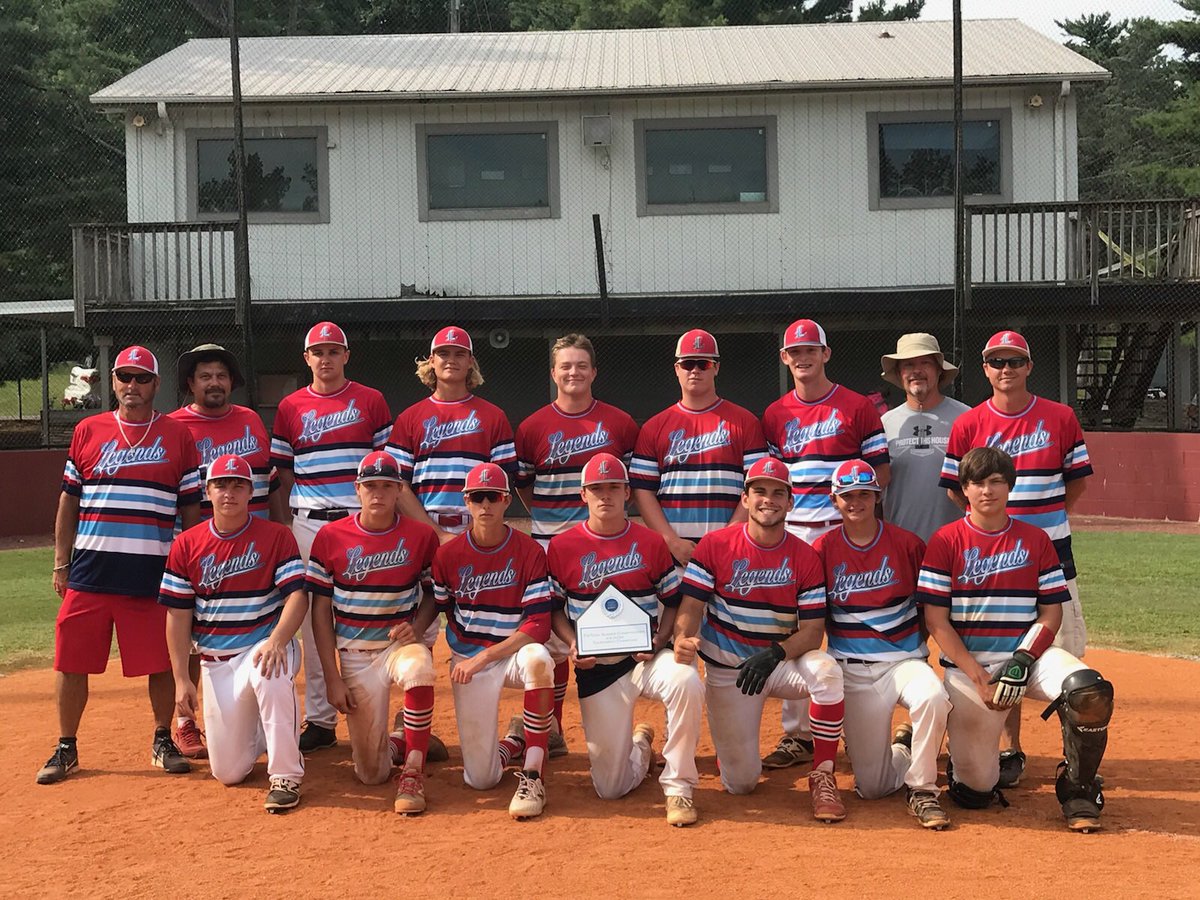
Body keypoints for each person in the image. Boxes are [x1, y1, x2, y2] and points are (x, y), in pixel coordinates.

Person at [919, 447, 1113, 832]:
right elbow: (937, 621)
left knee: (1087, 689)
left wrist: (1023, 659)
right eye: (977, 483)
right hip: (970, 669)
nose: (987, 491)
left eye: (996, 482)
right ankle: (964, 767)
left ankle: (1078, 787)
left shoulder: (1035, 540)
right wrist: (979, 678)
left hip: (1029, 659)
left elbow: (1050, 613)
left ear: (1010, 487)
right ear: (964, 490)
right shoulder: (945, 541)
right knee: (976, 793)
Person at [38, 345, 201, 785]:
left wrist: (187, 567)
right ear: (112, 381)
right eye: (124, 377)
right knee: (72, 661)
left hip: (153, 572)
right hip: (91, 571)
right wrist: (60, 563)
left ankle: (162, 737)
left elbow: (190, 510)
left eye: (141, 378)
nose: (132, 386)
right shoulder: (89, 430)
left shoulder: (177, 435)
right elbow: (69, 500)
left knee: (161, 662)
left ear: (156, 384)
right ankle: (66, 746)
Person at [939, 330, 1094, 789]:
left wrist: (1036, 529)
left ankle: (1076, 761)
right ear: (985, 369)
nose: (1005, 369)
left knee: (1060, 657)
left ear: (1029, 366)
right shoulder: (968, 424)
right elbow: (955, 487)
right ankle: (1008, 748)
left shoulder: (1060, 417)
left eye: (1014, 361)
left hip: (1051, 552)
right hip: (990, 559)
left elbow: (1078, 481)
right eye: (996, 361)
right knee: (1002, 648)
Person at [673, 456, 847, 823]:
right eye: (760, 491)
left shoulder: (805, 555)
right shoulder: (714, 545)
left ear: (790, 502)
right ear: (745, 498)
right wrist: (683, 637)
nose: (768, 499)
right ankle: (731, 752)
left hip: (780, 662)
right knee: (741, 783)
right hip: (731, 671)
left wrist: (776, 653)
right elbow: (691, 605)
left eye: (778, 493)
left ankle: (823, 774)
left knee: (827, 671)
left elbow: (814, 631)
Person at [760, 318, 890, 770]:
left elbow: (880, 473)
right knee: (797, 631)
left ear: (826, 353)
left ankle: (855, 726)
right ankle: (798, 735)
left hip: (843, 535)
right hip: (794, 536)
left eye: (810, 350)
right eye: (795, 352)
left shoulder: (856, 407)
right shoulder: (776, 414)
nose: (803, 358)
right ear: (785, 359)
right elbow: (772, 482)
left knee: (849, 626)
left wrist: (856, 525)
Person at [547, 453, 704, 827]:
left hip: (645, 659)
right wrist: (571, 644)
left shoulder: (650, 542)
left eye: (613, 488)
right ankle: (642, 747)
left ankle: (679, 785)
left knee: (685, 679)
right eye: (597, 489)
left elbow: (672, 601)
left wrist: (661, 640)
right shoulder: (561, 547)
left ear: (627, 493)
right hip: (596, 668)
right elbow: (554, 610)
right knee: (610, 788)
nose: (605, 496)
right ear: (583, 495)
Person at [159, 454, 309, 813]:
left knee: (269, 673)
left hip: (263, 645)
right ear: (207, 491)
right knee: (228, 772)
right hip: (215, 661)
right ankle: (259, 732)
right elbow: (177, 617)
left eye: (238, 484)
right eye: (221, 484)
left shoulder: (276, 536)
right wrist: (181, 679)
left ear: (250, 490)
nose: (229, 492)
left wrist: (278, 640)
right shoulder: (187, 544)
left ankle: (286, 775)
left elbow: (297, 596)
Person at [270, 321, 394, 754]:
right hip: (309, 522)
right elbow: (284, 471)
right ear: (307, 359)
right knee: (311, 619)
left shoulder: (370, 400)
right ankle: (320, 720)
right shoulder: (290, 407)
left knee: (376, 612)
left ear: (346, 355)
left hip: (363, 522)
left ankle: (395, 718)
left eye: (333, 350)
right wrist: (291, 519)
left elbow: (385, 463)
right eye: (317, 352)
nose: (325, 358)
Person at [514, 332, 638, 755]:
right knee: (554, 638)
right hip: (551, 544)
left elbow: (631, 485)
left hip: (607, 548)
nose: (573, 372)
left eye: (581, 365)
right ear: (554, 373)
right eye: (565, 366)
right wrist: (556, 522)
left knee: (609, 631)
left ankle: (615, 725)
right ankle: (553, 727)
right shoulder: (532, 427)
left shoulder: (620, 423)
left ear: (594, 372)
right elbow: (526, 487)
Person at [811, 460, 950, 829]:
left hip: (904, 662)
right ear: (834, 500)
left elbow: (927, 607)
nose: (855, 502)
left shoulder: (907, 544)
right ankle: (904, 748)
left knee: (933, 696)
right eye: (847, 496)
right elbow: (818, 615)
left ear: (876, 496)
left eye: (863, 495)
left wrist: (912, 646)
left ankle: (923, 789)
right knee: (871, 787)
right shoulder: (822, 548)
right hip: (852, 669)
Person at [306, 451, 442, 814]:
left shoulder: (420, 535)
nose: (378, 493)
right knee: (371, 774)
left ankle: (414, 768)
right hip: (354, 653)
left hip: (397, 646)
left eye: (386, 486)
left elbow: (433, 594)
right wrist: (332, 678)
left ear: (399, 489)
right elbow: (320, 611)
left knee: (419, 669)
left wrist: (416, 628)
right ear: (357, 489)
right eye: (370, 486)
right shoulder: (331, 536)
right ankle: (403, 739)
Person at [167, 342, 284, 759]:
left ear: (231, 382)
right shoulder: (175, 425)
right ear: (190, 384)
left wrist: (275, 534)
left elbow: (269, 482)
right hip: (200, 548)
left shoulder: (251, 420)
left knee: (253, 628)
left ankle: (254, 723)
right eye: (204, 376)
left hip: (254, 546)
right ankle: (182, 721)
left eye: (220, 375)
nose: (214, 383)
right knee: (197, 630)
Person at [428, 462, 556, 819]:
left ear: (505, 501)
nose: (485, 505)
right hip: (468, 657)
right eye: (477, 497)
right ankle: (513, 742)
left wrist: (483, 658)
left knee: (539, 659)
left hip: (507, 654)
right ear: (467, 502)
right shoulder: (447, 555)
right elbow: (437, 606)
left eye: (494, 497)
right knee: (481, 780)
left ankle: (533, 772)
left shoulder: (529, 551)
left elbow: (539, 625)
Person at [631, 328, 767, 569]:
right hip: (675, 553)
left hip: (732, 551)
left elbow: (757, 486)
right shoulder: (653, 427)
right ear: (677, 369)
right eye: (687, 364)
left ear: (716, 368)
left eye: (703, 364)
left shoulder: (745, 422)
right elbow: (643, 490)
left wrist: (729, 537)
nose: (694, 370)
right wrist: (670, 540)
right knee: (679, 608)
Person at [388, 325, 517, 546]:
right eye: (443, 353)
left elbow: (503, 483)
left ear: (470, 362)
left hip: (479, 528)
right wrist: (436, 534)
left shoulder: (494, 416)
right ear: (431, 360)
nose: (451, 360)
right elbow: (397, 486)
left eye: (459, 354)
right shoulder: (409, 417)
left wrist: (470, 532)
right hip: (423, 527)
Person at [879, 333, 970, 542]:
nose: (916, 371)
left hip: (957, 545)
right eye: (908, 365)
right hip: (900, 547)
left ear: (939, 370)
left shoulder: (966, 419)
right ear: (899, 372)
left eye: (925, 363)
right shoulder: (884, 424)